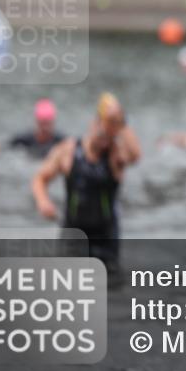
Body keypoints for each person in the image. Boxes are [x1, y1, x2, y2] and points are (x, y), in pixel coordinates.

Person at [31, 93, 141, 273]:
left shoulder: (115, 156)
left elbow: (136, 155)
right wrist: (43, 201)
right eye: (103, 130)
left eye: (111, 133)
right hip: (73, 235)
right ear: (93, 124)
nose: (106, 138)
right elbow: (40, 178)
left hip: (105, 239)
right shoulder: (68, 150)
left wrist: (120, 117)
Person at [0, 98, 65, 159]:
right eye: (42, 124)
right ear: (37, 123)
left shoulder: (60, 141)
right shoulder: (26, 139)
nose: (45, 128)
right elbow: (7, 146)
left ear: (53, 123)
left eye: (47, 124)